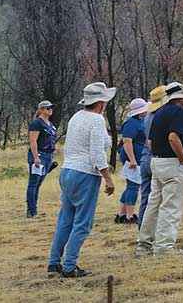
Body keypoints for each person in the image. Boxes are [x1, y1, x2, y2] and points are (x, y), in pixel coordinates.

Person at [47, 83, 116, 278]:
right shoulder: (96, 120)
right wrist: (108, 178)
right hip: (85, 174)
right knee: (83, 223)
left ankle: (54, 262)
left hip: (67, 170)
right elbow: (97, 153)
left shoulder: (76, 117)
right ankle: (69, 266)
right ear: (100, 103)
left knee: (65, 219)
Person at [136, 82, 183, 256]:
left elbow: (150, 141)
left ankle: (144, 244)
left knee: (153, 204)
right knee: (171, 206)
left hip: (156, 161)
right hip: (171, 162)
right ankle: (164, 247)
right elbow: (173, 137)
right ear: (181, 98)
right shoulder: (179, 112)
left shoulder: (158, 112)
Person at [115, 98, 149, 224]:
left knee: (131, 186)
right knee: (134, 186)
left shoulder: (140, 121)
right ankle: (130, 216)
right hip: (133, 159)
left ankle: (121, 214)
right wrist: (132, 160)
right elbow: (127, 142)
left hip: (138, 158)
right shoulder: (131, 123)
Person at [138, 85, 167, 226]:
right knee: (159, 199)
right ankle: (153, 230)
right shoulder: (162, 117)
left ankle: (142, 228)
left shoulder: (148, 116)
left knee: (146, 197)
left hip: (145, 158)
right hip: (157, 158)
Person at [26, 100, 57, 218]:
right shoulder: (37, 123)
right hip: (39, 155)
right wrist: (35, 157)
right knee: (33, 183)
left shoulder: (50, 124)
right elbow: (33, 141)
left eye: (51, 108)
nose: (50, 110)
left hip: (48, 156)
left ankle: (34, 209)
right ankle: (31, 211)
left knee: (38, 183)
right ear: (41, 110)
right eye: (48, 108)